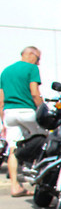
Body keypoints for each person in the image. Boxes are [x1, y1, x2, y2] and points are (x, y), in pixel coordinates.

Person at [0, 46, 43, 196]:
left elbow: (1, 99)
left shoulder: (6, 71)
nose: (38, 63)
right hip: (27, 111)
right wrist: (43, 109)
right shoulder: (31, 68)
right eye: (38, 59)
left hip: (9, 113)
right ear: (30, 54)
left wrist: (3, 121)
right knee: (44, 140)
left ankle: (15, 187)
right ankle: (42, 183)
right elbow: (34, 93)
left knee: (13, 149)